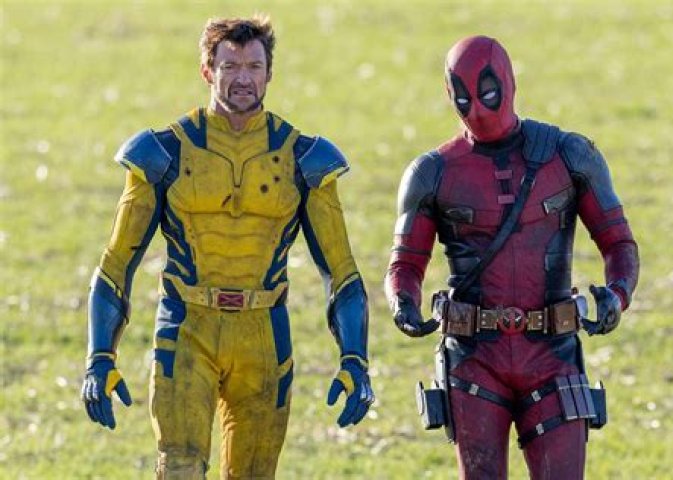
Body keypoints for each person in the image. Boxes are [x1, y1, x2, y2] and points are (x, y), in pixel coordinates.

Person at [81, 15, 373, 479]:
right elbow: (116, 263)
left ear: (269, 73)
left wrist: (354, 358)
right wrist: (100, 356)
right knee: (179, 468)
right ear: (207, 70)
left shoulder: (303, 158)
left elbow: (342, 272)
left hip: (264, 337)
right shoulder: (164, 152)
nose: (243, 78)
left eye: (254, 66)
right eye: (230, 66)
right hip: (186, 330)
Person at [384, 36, 639, 479]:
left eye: (487, 94)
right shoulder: (431, 172)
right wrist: (402, 302)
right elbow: (404, 265)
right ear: (448, 95)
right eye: (463, 98)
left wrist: (616, 297)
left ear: (509, 82)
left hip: (553, 356)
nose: (477, 110)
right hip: (474, 360)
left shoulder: (569, 155)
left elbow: (619, 244)